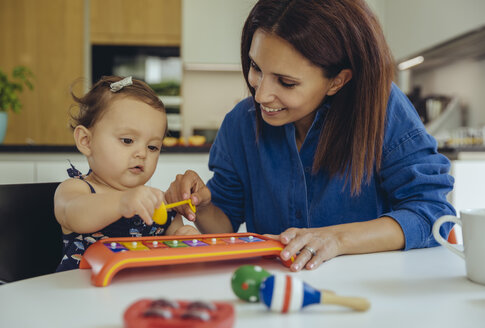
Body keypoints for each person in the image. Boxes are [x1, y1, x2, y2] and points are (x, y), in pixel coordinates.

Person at [165, 0, 455, 272]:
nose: (261, 94)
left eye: (287, 82)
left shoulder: (381, 109)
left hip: (375, 289)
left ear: (337, 81)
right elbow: (224, 225)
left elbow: (433, 214)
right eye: (256, 68)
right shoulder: (241, 123)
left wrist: (337, 239)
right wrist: (202, 206)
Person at [55, 76, 198, 271]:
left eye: (153, 147)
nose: (142, 153)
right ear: (86, 141)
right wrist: (122, 202)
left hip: (137, 296)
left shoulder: (156, 204)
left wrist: (185, 237)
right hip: (81, 295)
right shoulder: (76, 190)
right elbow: (74, 214)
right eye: (128, 140)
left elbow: (176, 241)